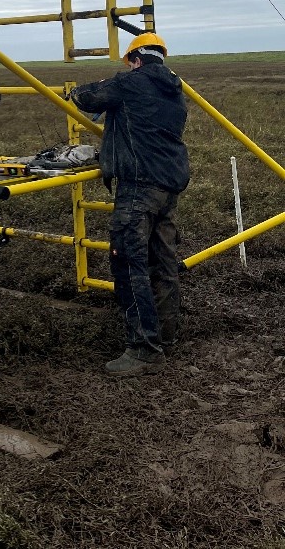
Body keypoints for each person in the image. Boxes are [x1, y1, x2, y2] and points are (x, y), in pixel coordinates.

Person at [70, 33, 190, 377]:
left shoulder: (131, 82)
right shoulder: (175, 88)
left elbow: (86, 98)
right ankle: (165, 336)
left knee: (128, 262)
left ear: (135, 59)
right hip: (169, 186)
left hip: (139, 186)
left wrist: (79, 89)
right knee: (163, 263)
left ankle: (143, 349)